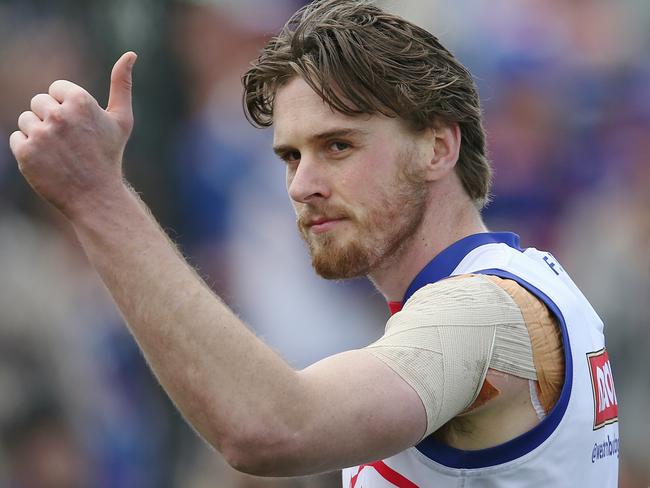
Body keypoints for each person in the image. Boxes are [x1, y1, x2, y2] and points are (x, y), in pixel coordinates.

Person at [9, 0, 619, 485]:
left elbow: (270, 428)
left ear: (439, 146)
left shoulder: (481, 312)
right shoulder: (520, 287)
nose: (302, 185)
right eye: (290, 156)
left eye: (338, 146)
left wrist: (98, 197)